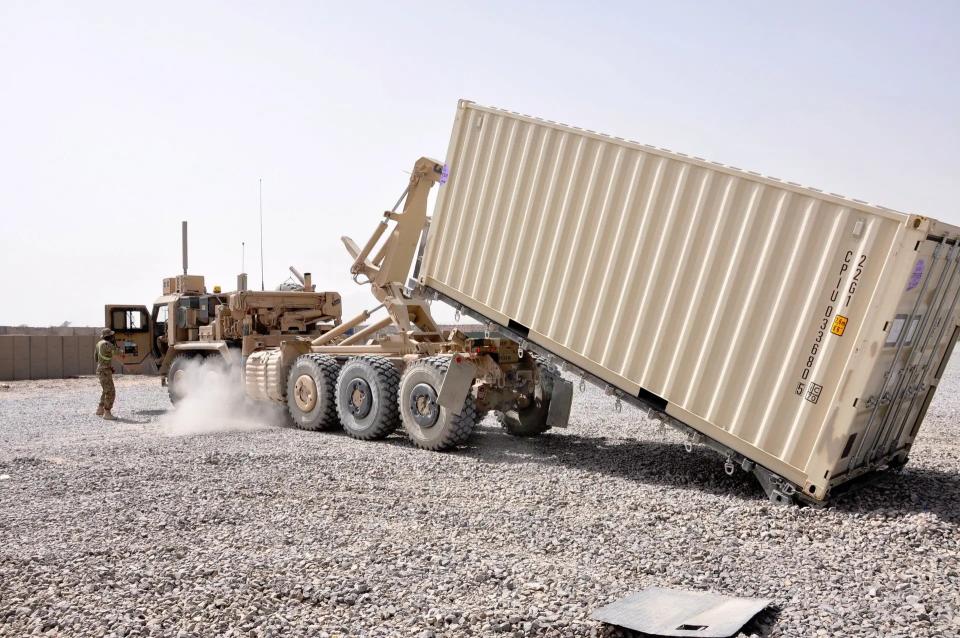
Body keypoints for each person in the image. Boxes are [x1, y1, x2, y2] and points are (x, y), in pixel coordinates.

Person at [95, 328, 119, 420]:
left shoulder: (98, 344)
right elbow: (118, 352)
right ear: (109, 336)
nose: (113, 337)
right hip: (105, 371)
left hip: (101, 369)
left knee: (105, 390)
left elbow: (96, 358)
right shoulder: (107, 344)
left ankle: (100, 409)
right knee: (110, 391)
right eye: (112, 336)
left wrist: (107, 365)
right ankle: (107, 412)